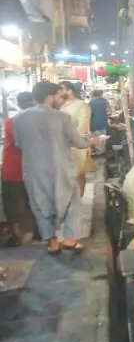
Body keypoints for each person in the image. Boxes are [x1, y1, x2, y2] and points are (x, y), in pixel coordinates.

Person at [13, 82, 98, 254]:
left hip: (33, 169)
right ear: (50, 97)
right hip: (60, 167)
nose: (61, 100)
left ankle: (51, 242)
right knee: (71, 202)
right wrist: (93, 141)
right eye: (59, 96)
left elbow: (19, 144)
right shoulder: (62, 117)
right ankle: (69, 240)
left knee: (40, 205)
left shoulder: (19, 118)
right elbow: (80, 142)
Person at [2, 92, 36, 245]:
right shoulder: (39, 122)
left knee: (11, 202)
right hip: (33, 166)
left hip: (13, 167)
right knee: (35, 201)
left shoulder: (11, 121)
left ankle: (16, 235)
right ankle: (39, 232)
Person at [59, 81, 91, 197]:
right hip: (62, 146)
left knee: (78, 175)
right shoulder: (59, 105)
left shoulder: (81, 106)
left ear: (69, 90)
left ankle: (79, 199)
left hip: (77, 146)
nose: (59, 92)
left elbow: (82, 127)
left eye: (61, 89)